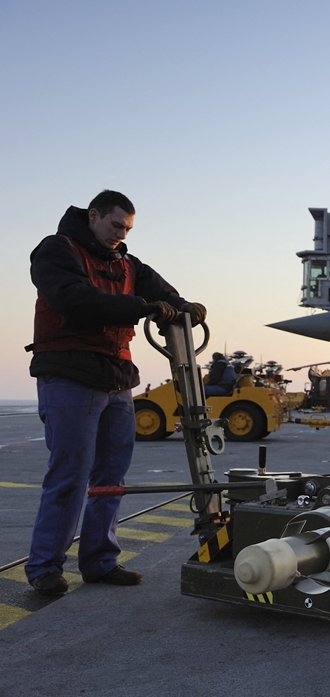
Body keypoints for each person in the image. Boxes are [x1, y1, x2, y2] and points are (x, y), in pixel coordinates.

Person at [25, 190, 206, 595]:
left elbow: (165, 293)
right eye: (115, 226)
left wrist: (186, 307)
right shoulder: (56, 250)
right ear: (93, 215)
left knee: (111, 478)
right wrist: (143, 308)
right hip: (70, 376)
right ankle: (44, 568)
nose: (120, 235)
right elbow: (72, 299)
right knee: (69, 475)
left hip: (117, 381)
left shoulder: (127, 262)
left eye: (127, 229)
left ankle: (100, 562)